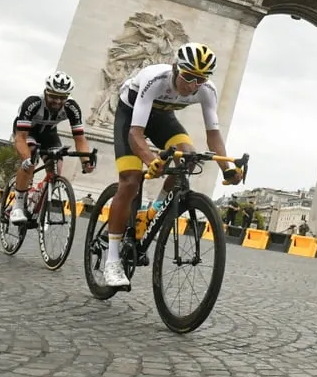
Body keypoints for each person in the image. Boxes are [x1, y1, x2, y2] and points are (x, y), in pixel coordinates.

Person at [100, 42, 243, 291]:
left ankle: (156, 209)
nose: (192, 86)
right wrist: (150, 161)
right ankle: (112, 261)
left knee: (189, 157)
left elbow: (214, 135)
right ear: (176, 68)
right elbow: (136, 133)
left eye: (200, 79)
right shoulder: (156, 79)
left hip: (164, 118)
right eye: (188, 77)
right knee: (131, 181)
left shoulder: (206, 90)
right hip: (132, 116)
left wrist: (227, 169)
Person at [8, 72, 95, 225]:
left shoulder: (72, 107)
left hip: (49, 133)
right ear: (46, 92)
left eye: (62, 97)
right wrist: (26, 159)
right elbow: (21, 138)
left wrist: (86, 160)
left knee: (57, 168)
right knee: (31, 161)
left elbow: (80, 138)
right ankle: (18, 206)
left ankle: (36, 196)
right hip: (27, 132)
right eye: (53, 96)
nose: (57, 101)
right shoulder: (33, 102)